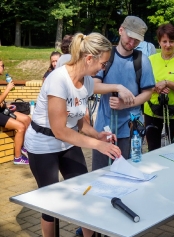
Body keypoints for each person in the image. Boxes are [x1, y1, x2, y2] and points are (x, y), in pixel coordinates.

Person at [24, 33, 121, 237]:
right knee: (51, 204)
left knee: (84, 193)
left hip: (66, 143)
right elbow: (60, 129)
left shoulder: (86, 82)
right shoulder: (58, 80)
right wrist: (97, 146)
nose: (103, 69)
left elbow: (78, 122)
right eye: (103, 64)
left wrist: (97, 136)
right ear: (89, 59)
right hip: (42, 145)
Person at [92, 16, 155, 170]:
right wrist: (117, 87)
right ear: (121, 30)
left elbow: (148, 92)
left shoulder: (142, 60)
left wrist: (125, 103)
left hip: (131, 132)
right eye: (130, 37)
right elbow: (93, 86)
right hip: (105, 130)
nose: (132, 43)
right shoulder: (106, 57)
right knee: (101, 174)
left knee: (129, 174)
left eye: (137, 40)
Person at [143, 23, 174, 151]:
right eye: (164, 41)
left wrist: (167, 83)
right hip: (152, 110)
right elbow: (142, 84)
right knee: (153, 148)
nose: (168, 45)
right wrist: (157, 87)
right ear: (159, 42)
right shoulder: (150, 60)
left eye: (172, 41)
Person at [0, 59, 31, 164]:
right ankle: (18, 158)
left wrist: (6, 105)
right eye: (1, 65)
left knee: (27, 119)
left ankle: (24, 147)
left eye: (3, 65)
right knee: (21, 127)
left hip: (2, 110)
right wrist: (7, 89)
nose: (2, 68)